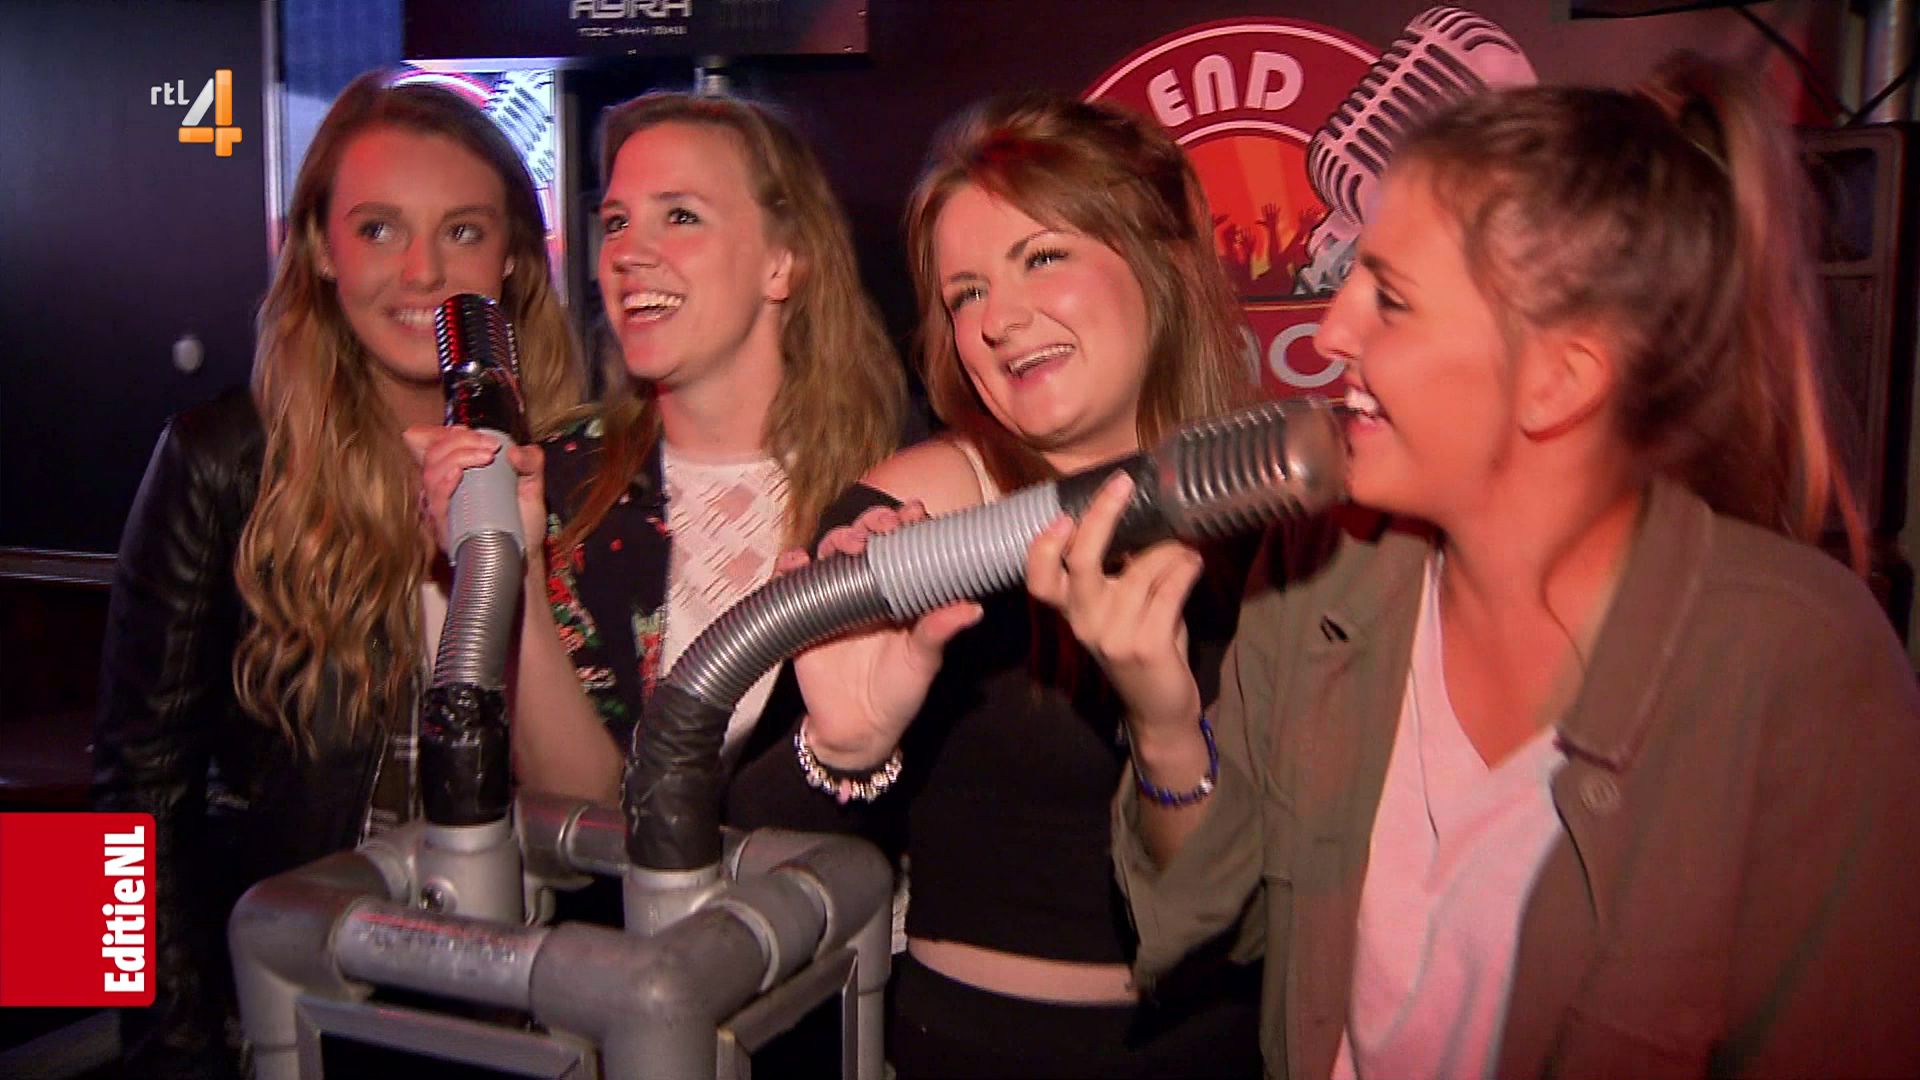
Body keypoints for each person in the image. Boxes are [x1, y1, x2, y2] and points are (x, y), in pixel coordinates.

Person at [1035, 53, 1920, 1079]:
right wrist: (1163, 719)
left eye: (1392, 299)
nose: (1331, 329)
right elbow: (1217, 918)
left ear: (1559, 379)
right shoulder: (1324, 566)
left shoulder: (1796, 661)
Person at [733, 91, 1265, 1078]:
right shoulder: (922, 517)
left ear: (1161, 263)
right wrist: (840, 753)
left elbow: (1266, 890)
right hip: (980, 1050)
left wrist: (1167, 728)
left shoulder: (1263, 498)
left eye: (1042, 258)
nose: (1000, 321)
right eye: (966, 292)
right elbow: (741, 847)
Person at [92, 71, 584, 1079]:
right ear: (318, 248)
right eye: (377, 229)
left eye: (461, 231)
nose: (421, 271)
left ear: (511, 257)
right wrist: (160, 1055)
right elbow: (124, 796)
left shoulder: (580, 463)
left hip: (528, 1011)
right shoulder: (219, 457)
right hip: (290, 1009)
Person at [412, 91, 906, 806]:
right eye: (616, 223)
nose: (627, 254)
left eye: (680, 216)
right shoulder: (556, 485)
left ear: (782, 262)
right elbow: (583, 809)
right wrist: (515, 565)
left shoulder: (897, 480)